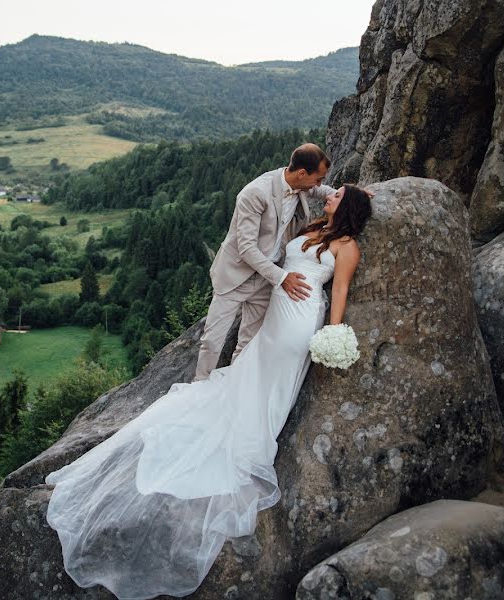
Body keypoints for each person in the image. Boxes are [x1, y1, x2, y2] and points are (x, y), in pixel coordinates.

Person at [45, 184, 374, 600]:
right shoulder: (316, 227)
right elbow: (315, 193)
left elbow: (339, 289)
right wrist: (356, 194)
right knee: (250, 372)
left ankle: (250, 435)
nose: (330, 195)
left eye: (338, 195)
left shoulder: (347, 246)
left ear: (346, 207)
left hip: (299, 321)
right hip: (277, 313)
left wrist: (333, 331)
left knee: (270, 383)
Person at [194, 143, 337, 382]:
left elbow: (325, 192)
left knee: (249, 340)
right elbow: (247, 248)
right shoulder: (256, 193)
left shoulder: (303, 186)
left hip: (265, 278)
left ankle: (234, 385)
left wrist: (352, 193)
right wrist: (282, 279)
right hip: (236, 275)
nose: (319, 184)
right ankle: (198, 386)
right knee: (212, 339)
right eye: (318, 178)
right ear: (302, 173)